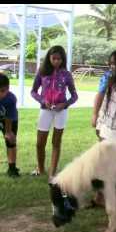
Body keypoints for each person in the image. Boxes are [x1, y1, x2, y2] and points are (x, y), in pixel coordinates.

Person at [31, 45, 78, 178]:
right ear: (49, 58)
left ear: (63, 59)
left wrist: (65, 104)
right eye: (54, 58)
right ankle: (40, 169)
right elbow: (33, 91)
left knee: (56, 142)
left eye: (59, 59)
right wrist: (42, 100)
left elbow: (75, 95)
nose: (57, 61)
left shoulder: (66, 75)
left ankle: (52, 172)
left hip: (61, 111)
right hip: (45, 110)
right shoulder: (42, 72)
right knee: (40, 143)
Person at [0, 73, 20, 177]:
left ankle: (12, 169)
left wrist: (8, 132)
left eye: (2, 91)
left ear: (8, 88)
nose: (0, 94)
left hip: (9, 119)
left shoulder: (11, 99)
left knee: (10, 141)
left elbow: (9, 117)